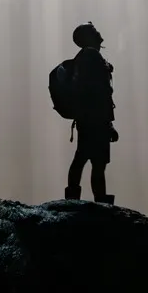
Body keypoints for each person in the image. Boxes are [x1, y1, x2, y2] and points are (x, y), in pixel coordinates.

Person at [64, 21, 117, 204]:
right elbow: (99, 92)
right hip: (94, 119)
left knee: (88, 159)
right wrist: (106, 123)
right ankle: (99, 202)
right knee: (92, 161)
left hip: (91, 118)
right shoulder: (91, 56)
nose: (98, 33)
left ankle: (76, 199)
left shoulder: (85, 57)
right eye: (94, 31)